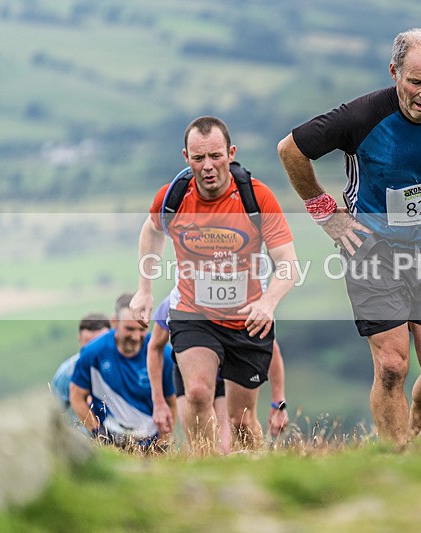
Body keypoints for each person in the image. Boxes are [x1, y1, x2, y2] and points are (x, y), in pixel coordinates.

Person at [277, 28, 421, 446]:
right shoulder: (361, 117)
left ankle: (409, 434)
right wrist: (325, 212)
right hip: (373, 251)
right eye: (415, 82)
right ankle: (396, 457)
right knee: (391, 365)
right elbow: (291, 150)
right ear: (394, 73)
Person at [130, 116, 298, 453]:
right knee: (196, 393)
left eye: (216, 156)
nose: (208, 166)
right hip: (194, 313)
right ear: (186, 157)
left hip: (247, 319)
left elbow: (288, 266)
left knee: (239, 420)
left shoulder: (257, 197)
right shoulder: (173, 197)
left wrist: (267, 303)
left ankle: (255, 471)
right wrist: (144, 290)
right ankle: (205, 467)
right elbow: (151, 230)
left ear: (231, 153)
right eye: (198, 158)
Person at [148, 295, 289, 454]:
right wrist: (158, 402)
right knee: (200, 444)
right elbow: (154, 347)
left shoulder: (240, 299)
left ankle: (256, 467)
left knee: (233, 436)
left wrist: (278, 403)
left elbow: (272, 349)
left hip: (226, 375)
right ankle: (207, 475)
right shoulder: (174, 301)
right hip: (189, 375)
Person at [69, 293, 177, 450]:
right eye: (129, 329)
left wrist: (162, 444)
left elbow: (172, 403)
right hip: (110, 444)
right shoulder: (92, 353)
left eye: (142, 329)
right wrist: (97, 432)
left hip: (150, 442)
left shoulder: (163, 355)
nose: (135, 336)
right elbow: (76, 395)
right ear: (114, 322)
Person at [50, 313, 111, 410]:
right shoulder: (65, 375)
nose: (93, 351)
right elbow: (58, 412)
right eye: (89, 345)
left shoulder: (124, 368)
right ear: (79, 340)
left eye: (99, 344)